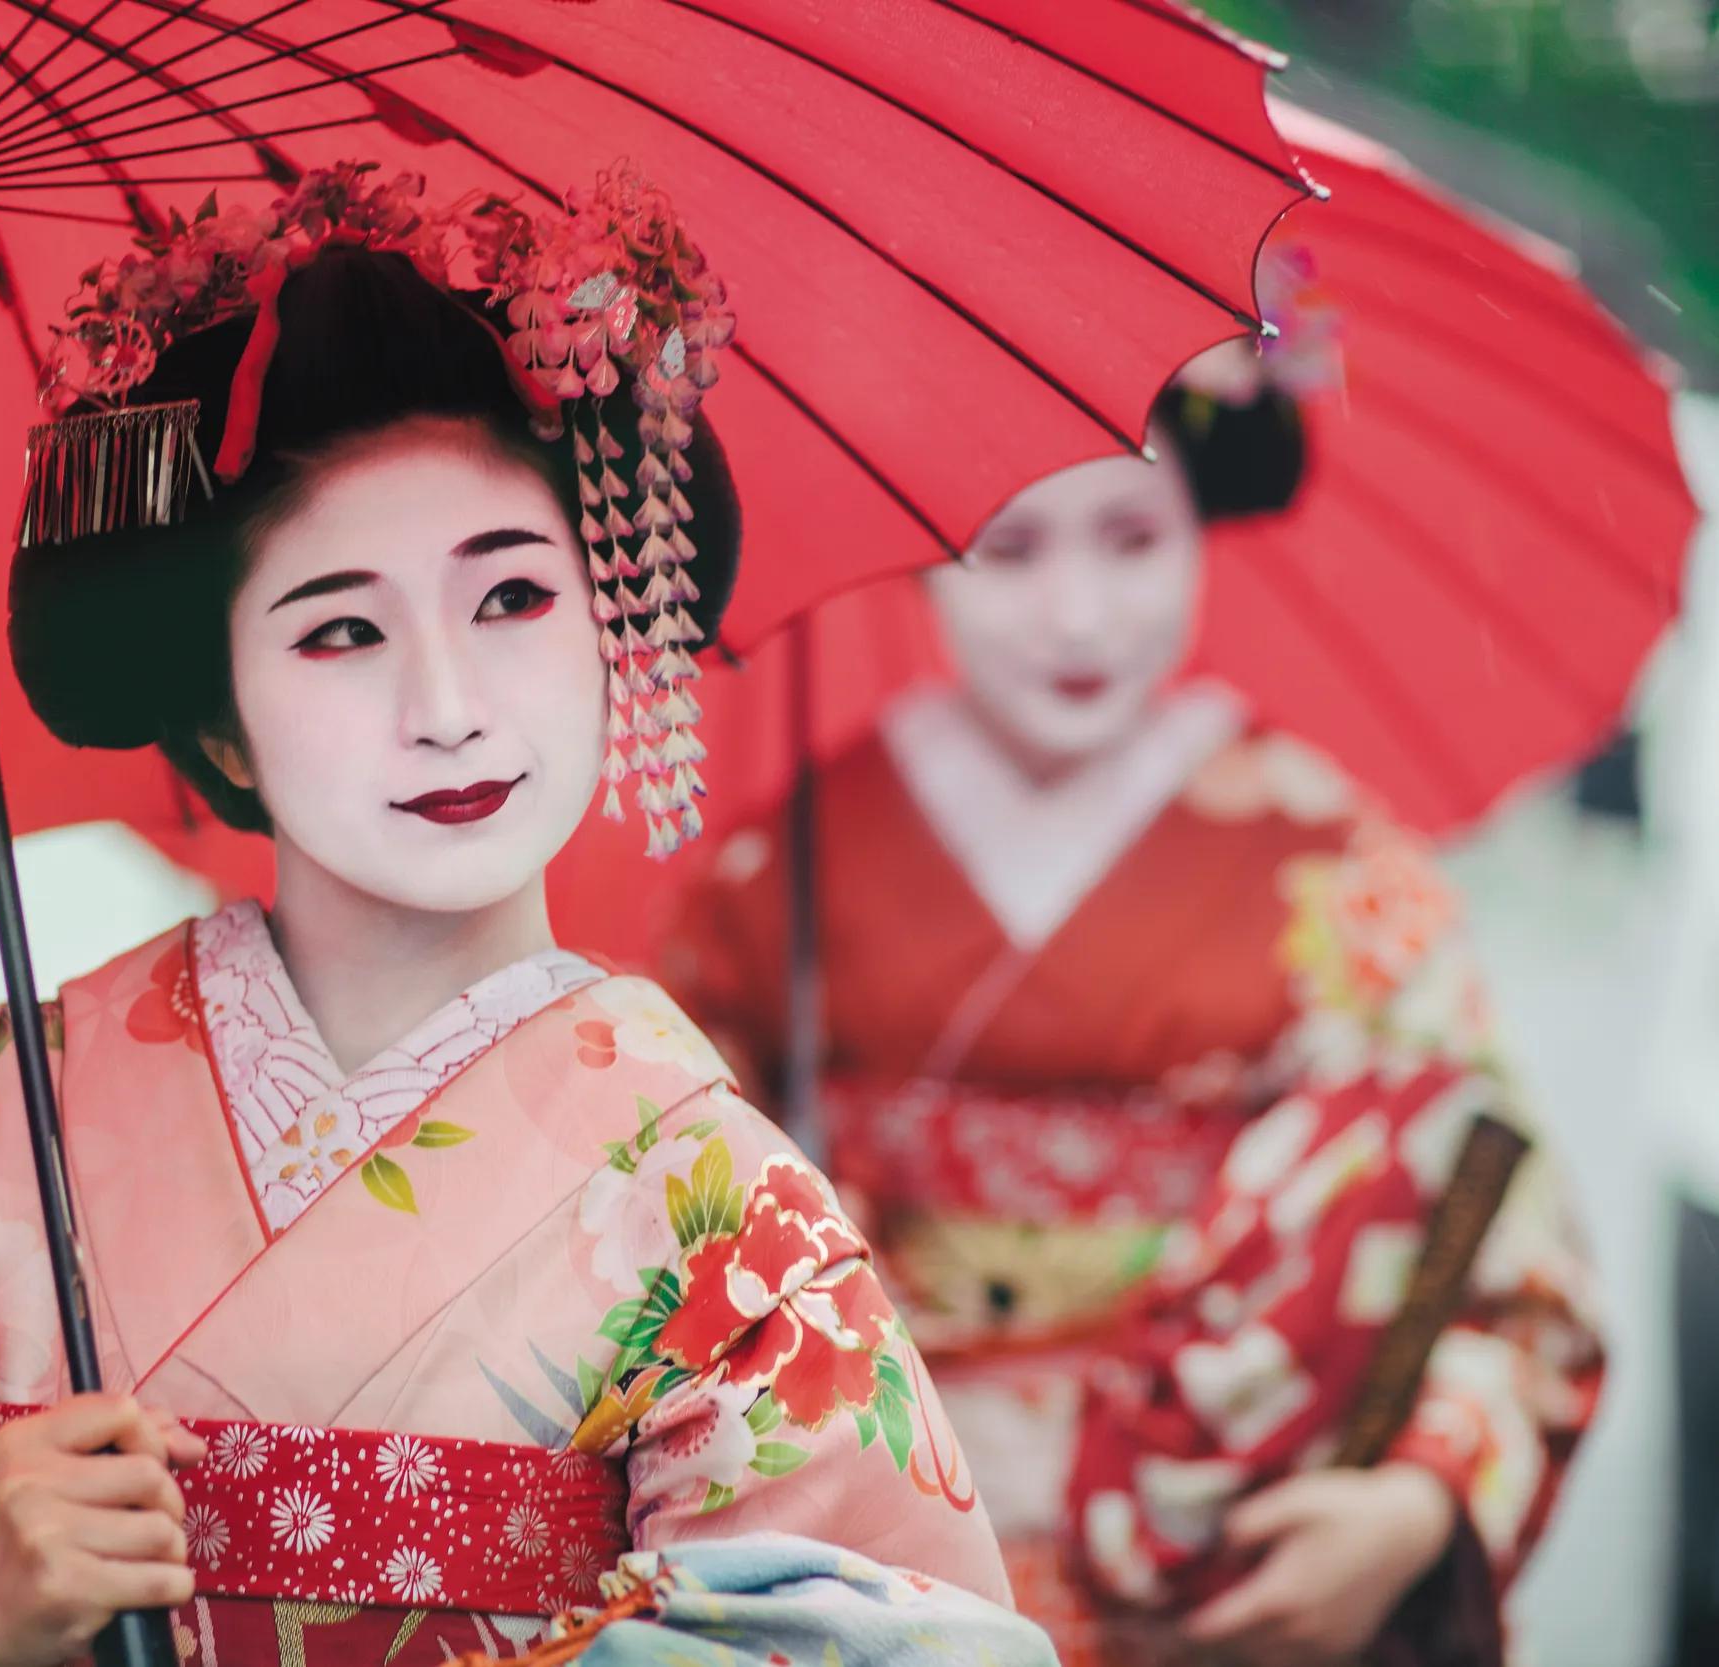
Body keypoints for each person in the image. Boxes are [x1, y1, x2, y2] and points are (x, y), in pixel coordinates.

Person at [0, 164, 1051, 1667]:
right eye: (341, 631)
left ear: (616, 630)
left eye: (512, 601)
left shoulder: (723, 1211)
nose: (447, 708)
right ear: (219, 724)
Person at [658, 351, 1604, 1665]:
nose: (1080, 613)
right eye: (1013, 548)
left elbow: (1498, 1218)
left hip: (1220, 1531)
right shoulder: (786, 871)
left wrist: (1412, 1502)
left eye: (1131, 537)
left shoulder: (1322, 860)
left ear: (1203, 528)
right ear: (926, 548)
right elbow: (660, 1225)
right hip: (870, 1532)